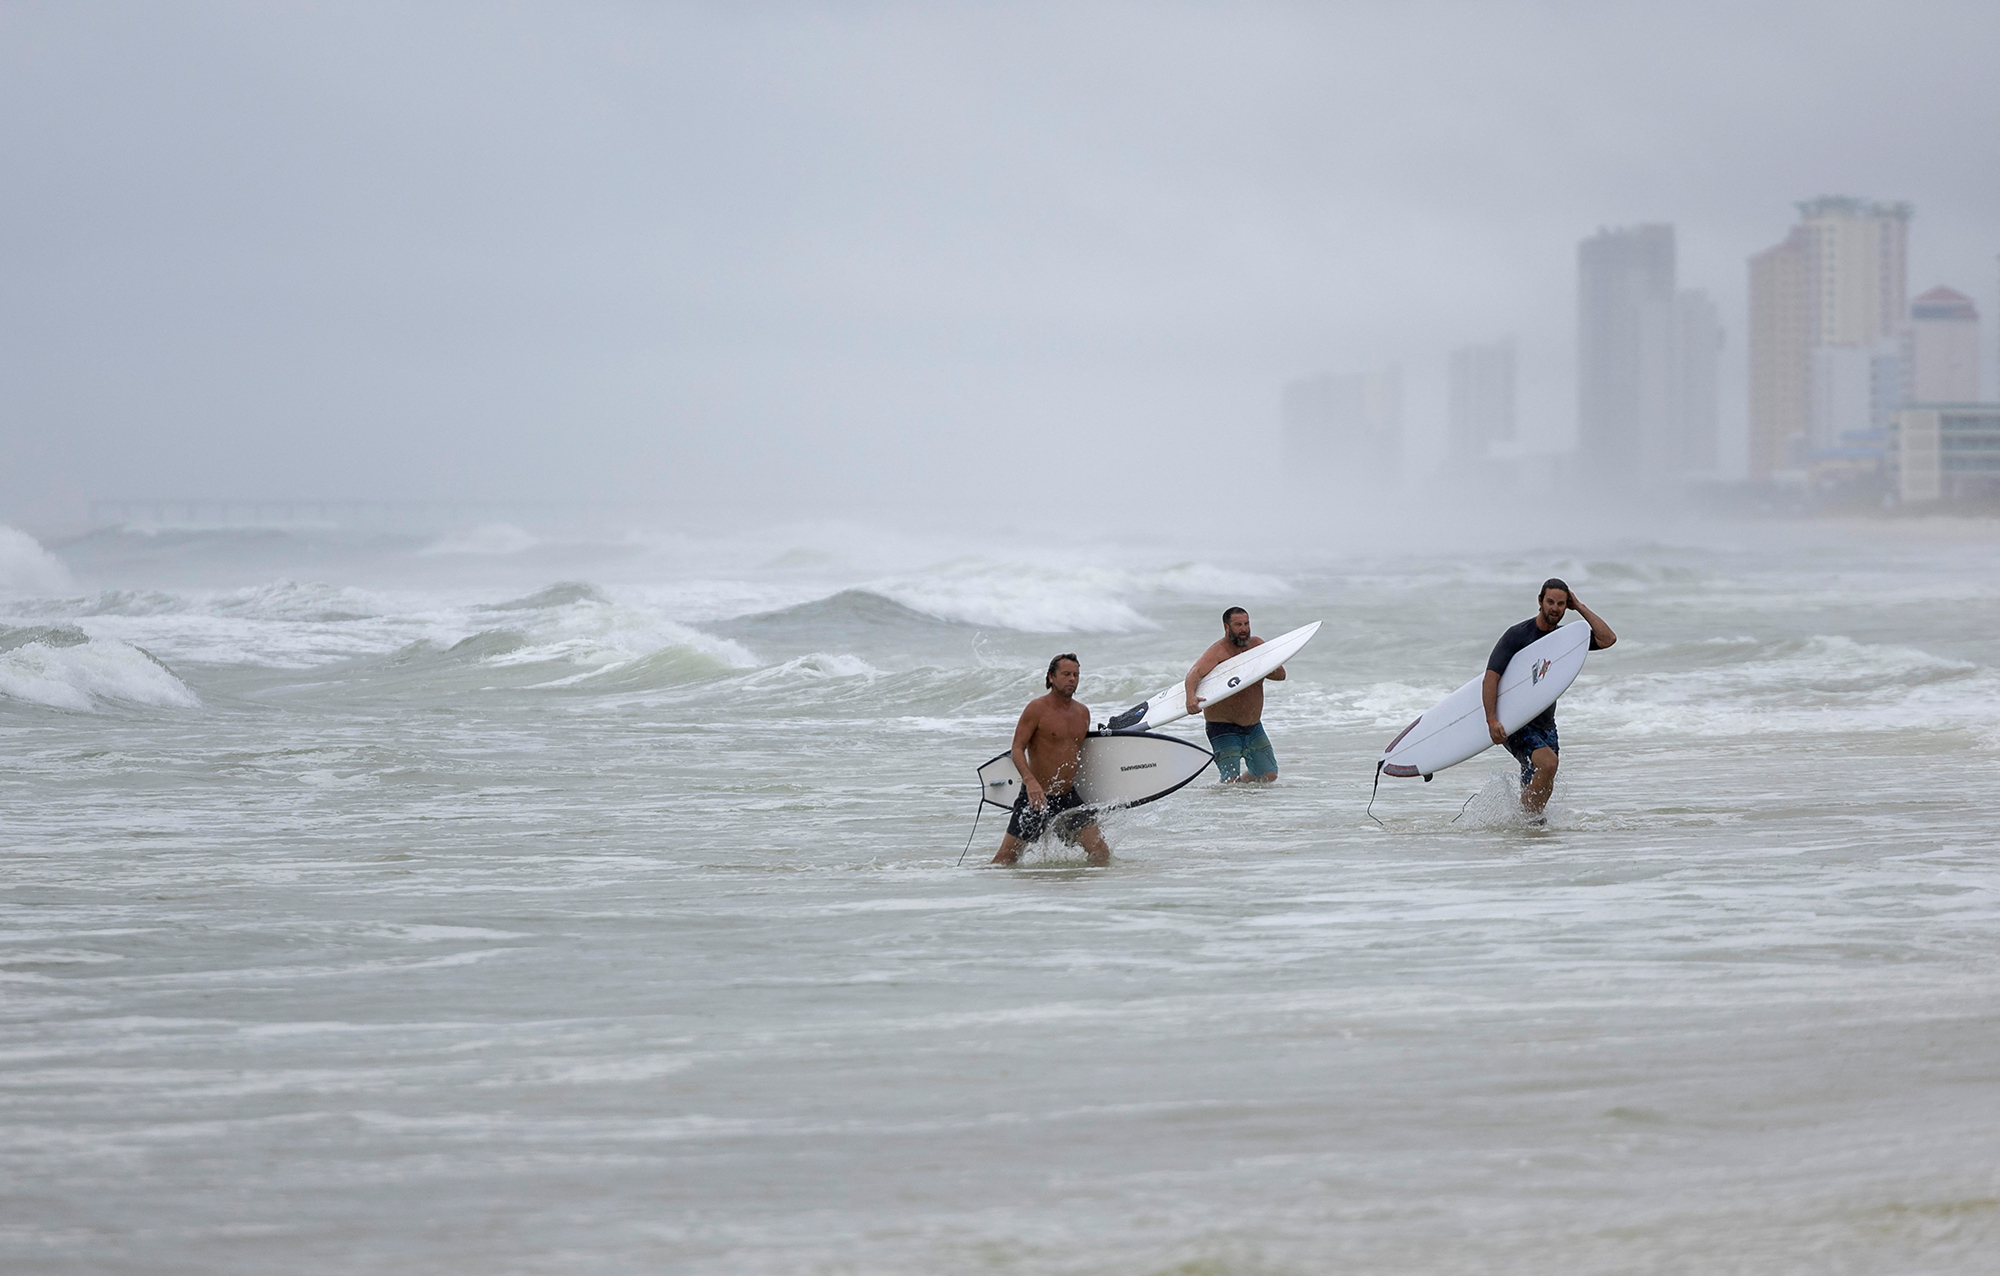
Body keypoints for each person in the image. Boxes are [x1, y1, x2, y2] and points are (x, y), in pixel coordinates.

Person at [1484, 578, 1616, 817]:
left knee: (1541, 777)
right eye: (1550, 602)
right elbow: (1490, 678)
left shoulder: (1565, 641)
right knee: (1549, 764)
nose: (1555, 608)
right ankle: (1528, 820)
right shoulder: (1517, 636)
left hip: (1545, 723)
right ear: (1540, 601)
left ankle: (1527, 828)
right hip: (1516, 720)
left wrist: (1581, 607)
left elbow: (1608, 639)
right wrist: (1492, 720)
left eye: (1562, 604)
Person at [991, 653, 1112, 866]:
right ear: (1051, 677)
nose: (1072, 679)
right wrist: (1030, 782)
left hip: (1068, 798)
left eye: (1075, 674)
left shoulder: (1083, 712)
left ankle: (1080, 890)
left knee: (1100, 853)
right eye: (1066, 674)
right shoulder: (1037, 709)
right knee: (1005, 860)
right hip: (1037, 798)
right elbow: (1017, 748)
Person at [1183, 606, 1288, 783]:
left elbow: (1281, 675)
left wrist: (1257, 667)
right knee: (1230, 782)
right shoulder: (1219, 651)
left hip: (1253, 727)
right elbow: (1195, 673)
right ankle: (1224, 805)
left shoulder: (1257, 646)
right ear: (1226, 627)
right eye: (1238, 625)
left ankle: (1246, 804)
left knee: (1268, 775)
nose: (1244, 629)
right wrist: (1190, 698)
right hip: (1223, 727)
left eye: (1246, 624)